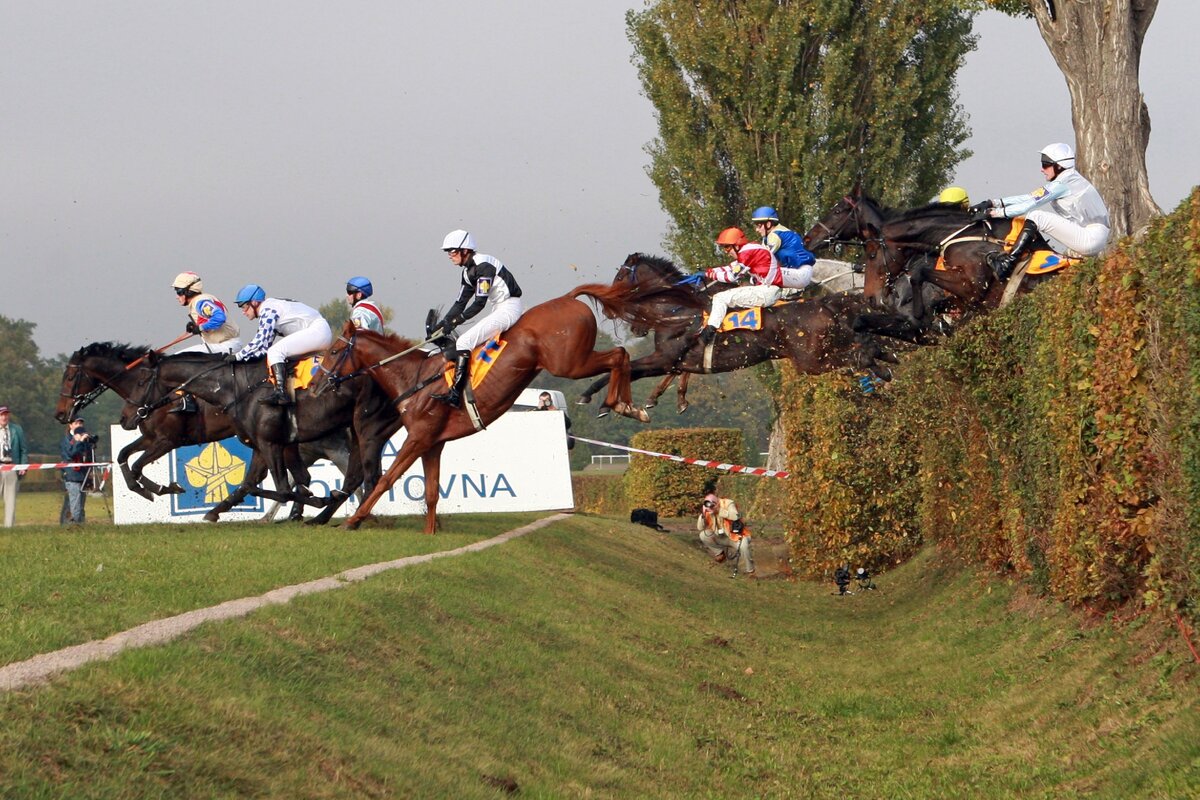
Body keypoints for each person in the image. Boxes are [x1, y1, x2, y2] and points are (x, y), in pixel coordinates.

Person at [969, 142, 1111, 281]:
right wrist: (993, 203)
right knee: (1035, 218)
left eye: (1045, 165)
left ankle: (1008, 263)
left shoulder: (1063, 184)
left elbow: (1027, 206)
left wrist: (992, 213)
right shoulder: (1066, 180)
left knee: (1037, 217)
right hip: (1091, 235)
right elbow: (1030, 197)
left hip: (1091, 237)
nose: (1042, 170)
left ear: (1059, 166)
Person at [430, 230, 524, 408]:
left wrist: (456, 322)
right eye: (448, 252)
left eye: (452, 251)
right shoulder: (467, 272)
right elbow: (460, 303)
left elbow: (479, 303)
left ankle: (455, 395)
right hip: (498, 307)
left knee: (464, 341)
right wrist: (443, 324)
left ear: (465, 250)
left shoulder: (483, 266)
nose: (449, 256)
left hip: (509, 308)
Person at [227, 284, 334, 406]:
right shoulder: (270, 308)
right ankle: (295, 390)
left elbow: (260, 340)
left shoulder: (268, 309)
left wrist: (238, 356)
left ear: (255, 302)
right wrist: (245, 359)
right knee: (276, 354)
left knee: (276, 351)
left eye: (244, 306)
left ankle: (281, 393)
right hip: (318, 332)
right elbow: (263, 348)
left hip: (318, 331)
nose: (243, 312)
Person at [696, 227, 797, 345]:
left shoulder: (746, 253)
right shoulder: (750, 249)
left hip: (767, 292)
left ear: (737, 245)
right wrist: (707, 271)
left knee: (720, 298)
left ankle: (708, 333)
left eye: (727, 247)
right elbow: (729, 267)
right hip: (769, 289)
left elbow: (731, 277)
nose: (726, 251)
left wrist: (709, 274)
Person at [170, 271, 242, 412]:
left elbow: (219, 317)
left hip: (226, 345)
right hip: (221, 344)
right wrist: (196, 327)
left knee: (178, 359)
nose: (177, 296)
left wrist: (200, 327)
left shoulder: (200, 301)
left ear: (188, 291)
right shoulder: (201, 301)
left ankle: (187, 400)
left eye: (178, 292)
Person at [696, 491, 755, 579]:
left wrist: (719, 510)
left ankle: (751, 571)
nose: (711, 507)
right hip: (721, 537)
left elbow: (735, 516)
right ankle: (720, 554)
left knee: (743, 546)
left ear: (717, 502)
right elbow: (700, 528)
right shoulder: (707, 510)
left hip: (736, 536)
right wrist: (703, 515)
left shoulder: (728, 503)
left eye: (713, 505)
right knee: (703, 535)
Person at [750, 206, 816, 283]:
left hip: (799, 273)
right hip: (800, 271)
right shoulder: (779, 232)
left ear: (768, 224)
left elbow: (762, 258)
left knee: (764, 274)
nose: (757, 230)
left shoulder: (774, 235)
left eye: (759, 226)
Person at [60, 416, 94, 526]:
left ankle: (80, 526)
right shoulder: (67, 440)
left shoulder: (85, 438)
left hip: (83, 476)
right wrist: (79, 441)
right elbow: (71, 454)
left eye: (81, 423)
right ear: (70, 425)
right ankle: (73, 527)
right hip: (72, 476)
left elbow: (90, 457)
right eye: (76, 423)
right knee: (75, 506)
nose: (79, 426)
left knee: (81, 505)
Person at [0, 405, 29, 528]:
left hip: (12, 467)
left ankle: (9, 527)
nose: (4, 417)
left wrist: (23, 466)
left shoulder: (17, 429)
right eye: (2, 414)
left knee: (10, 500)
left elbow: (23, 450)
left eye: (6, 414)